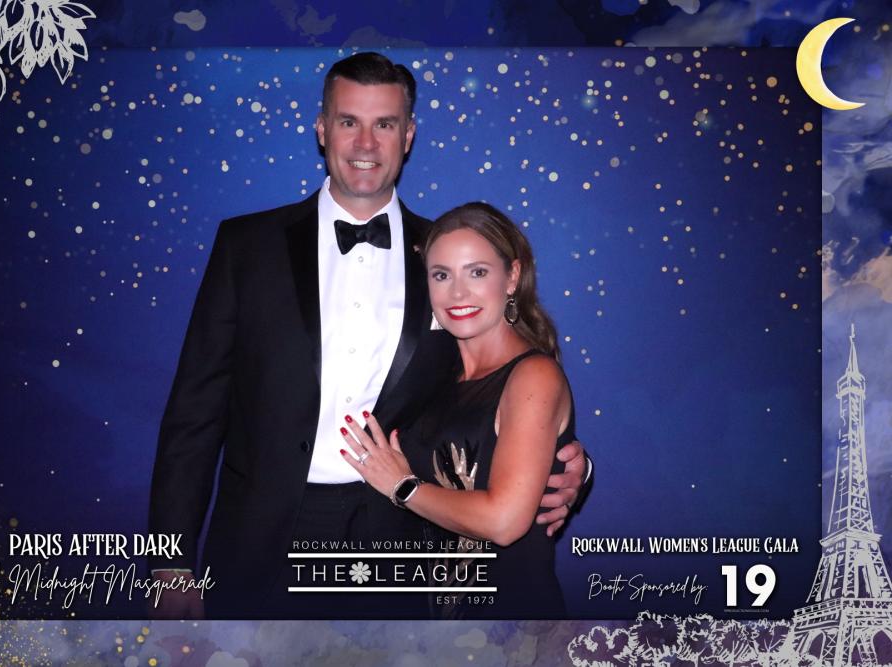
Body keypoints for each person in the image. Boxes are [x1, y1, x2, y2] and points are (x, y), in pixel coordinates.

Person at [148, 52, 589, 620]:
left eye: (384, 123)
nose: (365, 143)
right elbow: (195, 412)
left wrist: (567, 466)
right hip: (260, 538)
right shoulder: (247, 247)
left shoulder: (447, 257)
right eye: (348, 121)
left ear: (408, 135)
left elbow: (500, 387)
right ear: (321, 128)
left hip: (404, 541)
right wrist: (171, 560)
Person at [341, 202, 573, 618]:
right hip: (434, 622)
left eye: (477, 272)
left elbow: (505, 522)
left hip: (511, 620)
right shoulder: (436, 374)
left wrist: (403, 487)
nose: (458, 293)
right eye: (442, 275)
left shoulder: (534, 375)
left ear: (512, 277)